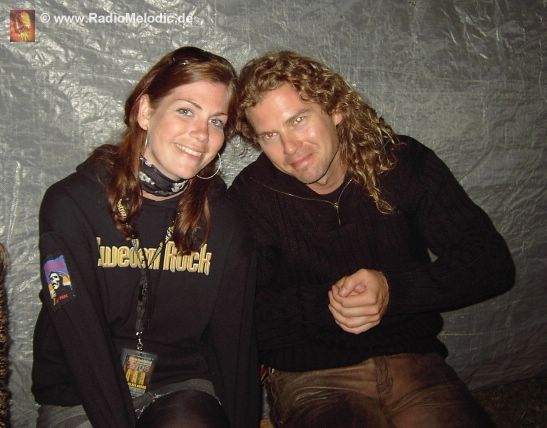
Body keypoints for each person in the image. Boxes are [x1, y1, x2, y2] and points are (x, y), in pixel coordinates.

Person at [228, 50, 515, 428]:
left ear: (335, 109)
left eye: (298, 120)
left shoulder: (401, 163)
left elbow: (490, 262)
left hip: (413, 362)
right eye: (270, 135)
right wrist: (331, 304)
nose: (290, 147)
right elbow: (242, 315)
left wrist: (393, 290)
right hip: (312, 376)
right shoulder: (253, 195)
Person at [32, 46, 259, 428]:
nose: (202, 134)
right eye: (185, 111)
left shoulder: (225, 220)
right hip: (80, 394)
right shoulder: (72, 205)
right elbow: (80, 337)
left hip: (180, 386)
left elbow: (235, 345)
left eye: (217, 121)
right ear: (145, 112)